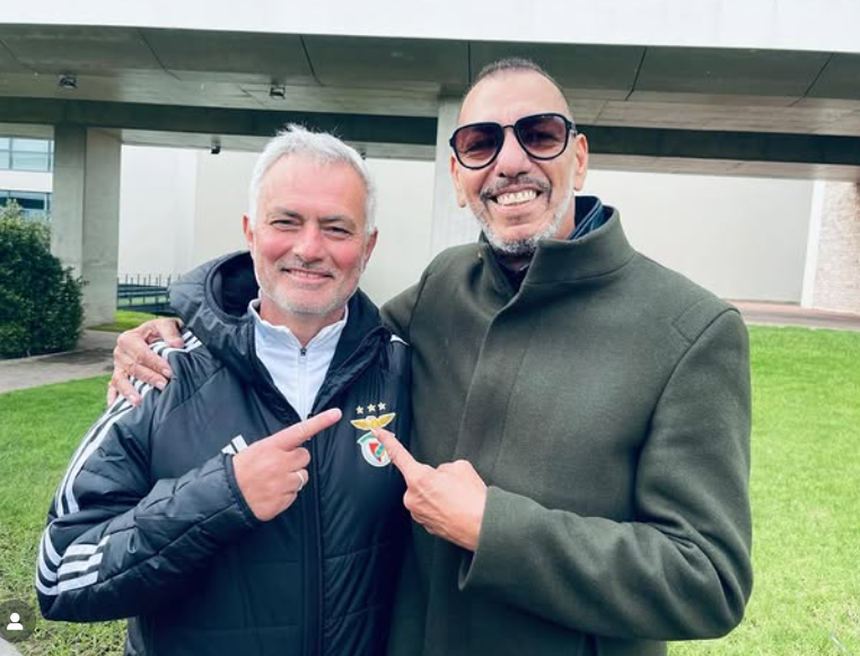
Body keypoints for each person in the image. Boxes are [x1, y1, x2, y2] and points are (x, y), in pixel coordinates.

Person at [109, 58, 752, 656]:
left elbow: (709, 580)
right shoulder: (447, 284)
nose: (510, 162)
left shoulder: (691, 330)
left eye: (539, 135)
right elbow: (323, 312)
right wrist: (195, 326)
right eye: (480, 143)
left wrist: (492, 528)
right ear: (458, 176)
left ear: (578, 158)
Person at [37, 125, 412, 656]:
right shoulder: (162, 371)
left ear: (368, 246)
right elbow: (58, 573)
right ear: (251, 232)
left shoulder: (406, 372)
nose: (309, 248)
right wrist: (223, 495)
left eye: (336, 228)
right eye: (285, 222)